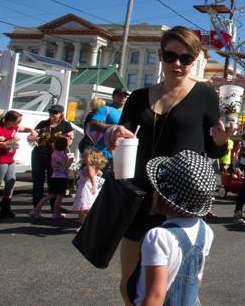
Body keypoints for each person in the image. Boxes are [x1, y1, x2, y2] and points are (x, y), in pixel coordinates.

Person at [106, 26, 232, 305]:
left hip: (180, 201)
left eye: (186, 59)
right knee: (129, 286)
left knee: (180, 288)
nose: (177, 64)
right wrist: (111, 134)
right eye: (170, 56)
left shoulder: (205, 95)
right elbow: (122, 131)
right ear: (160, 55)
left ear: (195, 59)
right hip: (138, 196)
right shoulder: (138, 97)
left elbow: (212, 147)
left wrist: (222, 142)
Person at [126, 150, 216, 306]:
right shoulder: (205, 230)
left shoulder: (158, 237)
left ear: (161, 196)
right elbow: (196, 279)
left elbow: (155, 296)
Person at [0, 110, 36, 218]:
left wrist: (31, 130)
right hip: (0, 160)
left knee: (11, 181)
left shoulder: (14, 128)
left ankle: (5, 207)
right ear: (10, 121)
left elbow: (23, 128)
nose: (19, 124)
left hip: (10, 159)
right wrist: (5, 144)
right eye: (18, 121)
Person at [32, 104, 74, 208]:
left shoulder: (66, 125)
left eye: (55, 112)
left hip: (55, 157)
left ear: (61, 114)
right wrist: (32, 138)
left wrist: (65, 141)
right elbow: (34, 137)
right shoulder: (43, 123)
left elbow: (70, 141)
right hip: (39, 154)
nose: (52, 114)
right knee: (38, 180)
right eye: (51, 112)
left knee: (53, 181)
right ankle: (36, 206)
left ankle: (54, 206)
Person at [29, 136, 74, 219]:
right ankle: (56, 213)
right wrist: (70, 160)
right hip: (61, 178)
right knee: (59, 196)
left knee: (50, 195)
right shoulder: (62, 156)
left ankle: (36, 210)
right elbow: (65, 166)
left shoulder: (54, 153)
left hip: (54, 176)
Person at [91, 87, 130, 168]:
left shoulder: (128, 112)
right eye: (120, 95)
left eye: (125, 96)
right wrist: (113, 127)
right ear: (113, 97)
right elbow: (94, 124)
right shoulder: (105, 109)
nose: (123, 97)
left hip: (123, 154)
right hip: (105, 154)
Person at [72, 147, 108, 225]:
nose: (84, 158)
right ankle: (88, 223)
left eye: (85, 157)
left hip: (86, 189)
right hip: (88, 188)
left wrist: (93, 185)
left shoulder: (89, 167)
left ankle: (84, 224)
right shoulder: (94, 167)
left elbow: (92, 176)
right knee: (87, 206)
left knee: (82, 208)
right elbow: (99, 174)